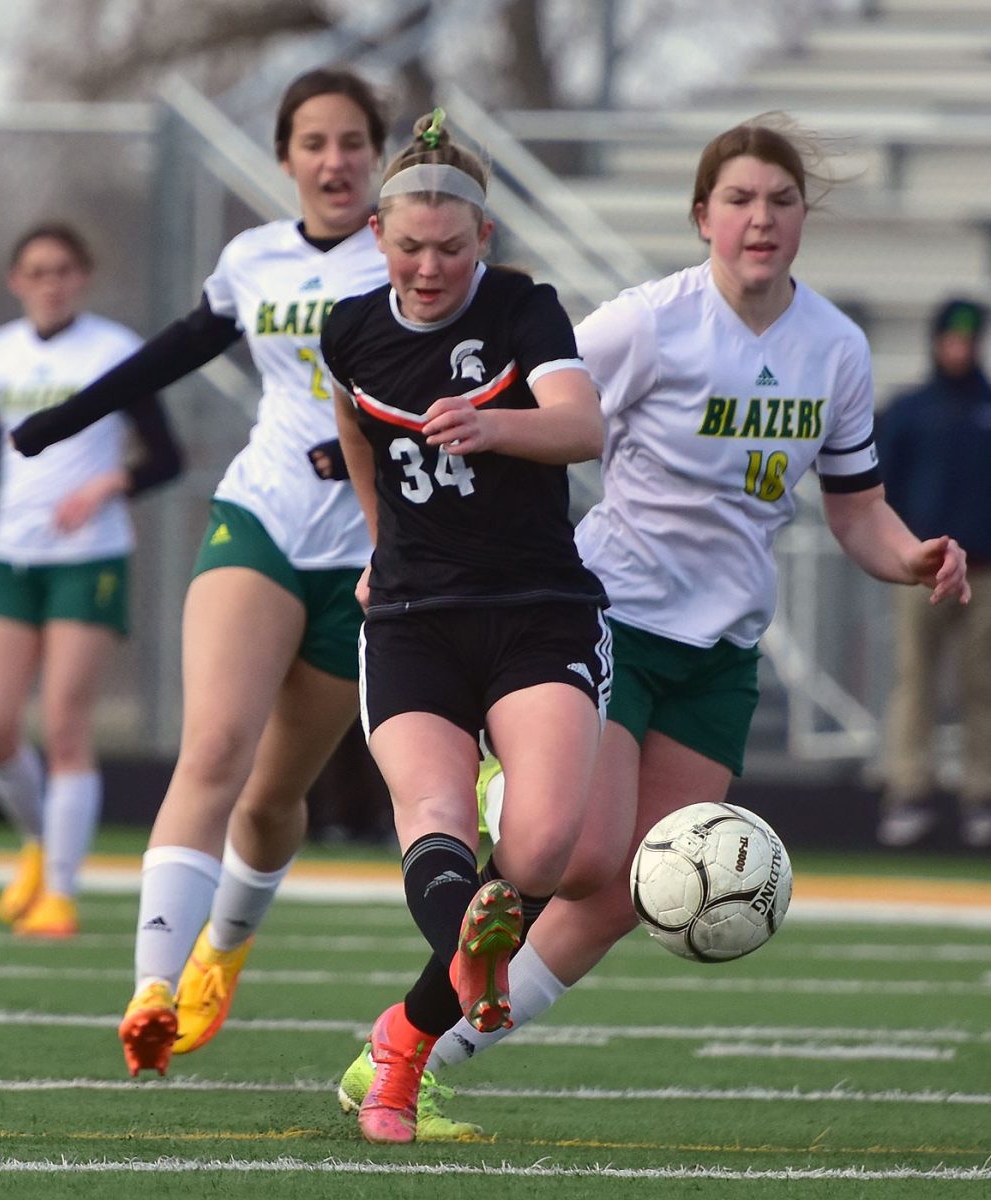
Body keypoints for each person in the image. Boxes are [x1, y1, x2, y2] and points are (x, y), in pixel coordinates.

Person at [335, 113, 971, 1136]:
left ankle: (408, 1048)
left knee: (627, 893)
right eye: (740, 200)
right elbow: (534, 405)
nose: (761, 218)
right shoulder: (647, 323)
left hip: (721, 653)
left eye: (781, 200)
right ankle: (510, 782)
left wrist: (911, 556)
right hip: (612, 614)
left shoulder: (836, 347)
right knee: (579, 859)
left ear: (804, 217)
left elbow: (855, 504)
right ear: (702, 216)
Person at [10, 67, 391, 1076]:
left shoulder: (410, 256)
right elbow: (182, 345)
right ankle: (149, 988)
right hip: (258, 518)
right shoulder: (255, 257)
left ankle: (223, 948)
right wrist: (64, 420)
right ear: (285, 159)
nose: (335, 160)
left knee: (271, 797)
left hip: (364, 556)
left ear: (378, 156)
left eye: (353, 141)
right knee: (212, 747)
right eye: (314, 141)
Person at [321, 108, 611, 1144]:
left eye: (450, 248)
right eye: (410, 247)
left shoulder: (526, 310)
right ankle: (413, 1048)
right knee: (436, 817)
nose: (429, 267)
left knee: (537, 853)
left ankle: (406, 1029)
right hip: (410, 615)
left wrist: (498, 425)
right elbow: (356, 429)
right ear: (378, 238)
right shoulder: (349, 329)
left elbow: (584, 426)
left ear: (482, 239)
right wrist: (371, 539)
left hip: (535, 612)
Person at [0, 222, 183, 938]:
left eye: (62, 269)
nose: (49, 282)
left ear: (82, 275)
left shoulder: (114, 351)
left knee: (64, 725)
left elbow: (167, 457)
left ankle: (59, 888)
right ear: (15, 280)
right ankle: (38, 842)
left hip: (89, 557)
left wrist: (107, 485)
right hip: (12, 558)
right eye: (36, 270)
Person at [876, 297, 991, 849]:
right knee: (915, 680)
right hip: (921, 575)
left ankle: (981, 794)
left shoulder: (987, 408)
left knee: (982, 686)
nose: (959, 349)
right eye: (952, 338)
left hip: (987, 577)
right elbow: (877, 491)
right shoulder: (910, 411)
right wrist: (903, 550)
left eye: (968, 340)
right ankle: (909, 790)